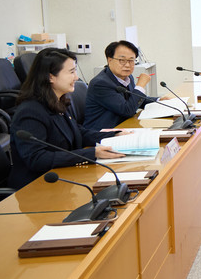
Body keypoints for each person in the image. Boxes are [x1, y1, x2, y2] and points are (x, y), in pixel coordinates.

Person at [8, 48, 124, 189]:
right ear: (50, 77)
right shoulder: (30, 111)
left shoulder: (58, 100)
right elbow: (37, 158)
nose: (76, 77)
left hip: (63, 177)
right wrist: (91, 153)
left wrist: (114, 135)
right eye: (71, 72)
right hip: (37, 186)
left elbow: (77, 132)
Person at [84, 40, 157, 130]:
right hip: (104, 133)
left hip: (125, 126)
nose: (127, 65)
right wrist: (140, 85)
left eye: (131, 60)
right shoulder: (100, 83)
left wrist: (160, 100)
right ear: (109, 60)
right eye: (122, 60)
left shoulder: (127, 77)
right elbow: (127, 110)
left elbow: (134, 99)